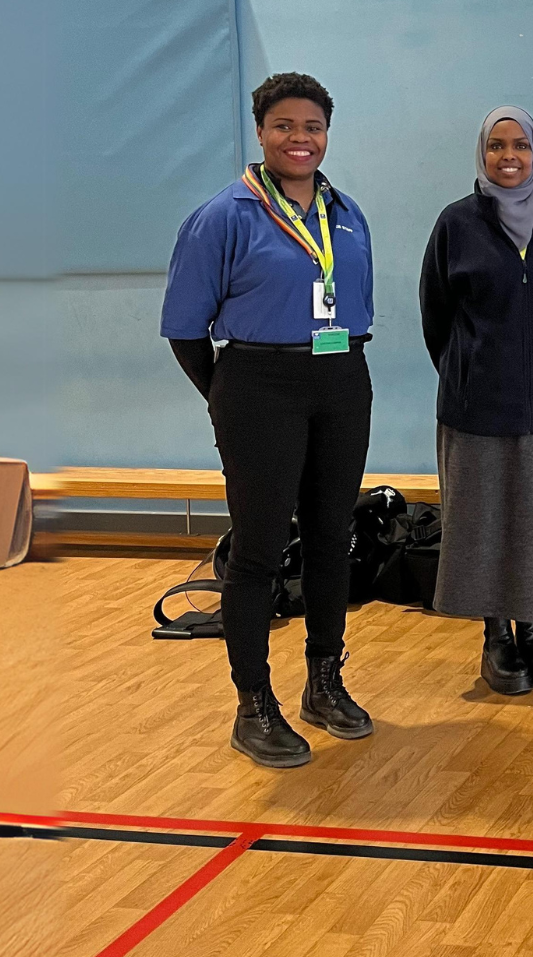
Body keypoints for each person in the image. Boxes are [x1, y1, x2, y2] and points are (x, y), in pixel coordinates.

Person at [161, 71, 376, 769]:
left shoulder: (346, 212)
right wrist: (228, 395)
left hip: (342, 378)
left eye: (311, 127)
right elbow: (186, 330)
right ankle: (253, 704)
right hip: (259, 381)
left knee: (331, 536)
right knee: (257, 551)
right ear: (260, 132)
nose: (299, 139)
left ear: (326, 135)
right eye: (284, 126)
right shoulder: (225, 214)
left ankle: (324, 681)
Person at [419, 106, 533, 696]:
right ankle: (495, 639)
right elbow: (436, 318)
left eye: (520, 145)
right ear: (482, 153)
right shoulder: (456, 224)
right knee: (482, 524)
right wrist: (473, 370)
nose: (508, 156)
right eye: (496, 145)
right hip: (474, 408)